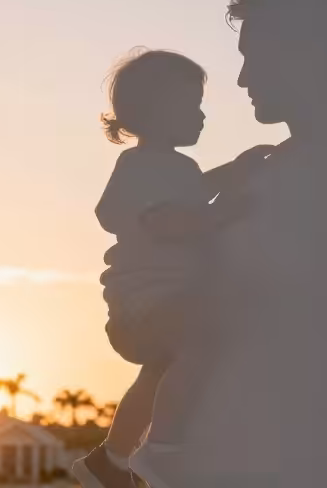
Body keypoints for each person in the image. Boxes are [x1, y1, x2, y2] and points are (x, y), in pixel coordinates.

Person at [114, 0, 327, 488]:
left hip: (264, 463)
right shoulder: (279, 166)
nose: (243, 79)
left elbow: (251, 308)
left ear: (306, 58)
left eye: (253, 57)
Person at [74, 49, 270, 488]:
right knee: (205, 346)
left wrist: (231, 173)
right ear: (156, 111)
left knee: (160, 375)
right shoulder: (140, 165)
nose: (201, 116)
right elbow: (167, 221)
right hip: (150, 304)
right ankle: (164, 448)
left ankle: (112, 458)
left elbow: (189, 194)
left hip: (159, 307)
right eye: (191, 106)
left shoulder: (173, 168)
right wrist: (224, 214)